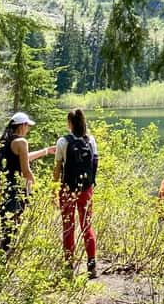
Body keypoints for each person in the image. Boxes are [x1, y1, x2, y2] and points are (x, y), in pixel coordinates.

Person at [0, 111, 54, 252]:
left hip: (5, 188)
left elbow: (23, 157)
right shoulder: (21, 142)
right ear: (22, 125)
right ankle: (5, 257)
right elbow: (26, 171)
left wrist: (46, 151)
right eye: (27, 126)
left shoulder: (7, 141)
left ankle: (0, 257)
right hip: (16, 190)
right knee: (13, 225)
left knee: (5, 224)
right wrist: (36, 185)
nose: (28, 129)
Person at [54, 108, 99, 278]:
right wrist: (90, 185)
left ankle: (68, 267)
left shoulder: (62, 142)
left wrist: (54, 188)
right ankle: (92, 266)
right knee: (87, 227)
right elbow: (95, 164)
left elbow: (58, 168)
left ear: (70, 123)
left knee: (68, 227)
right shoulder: (91, 140)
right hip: (86, 190)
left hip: (67, 190)